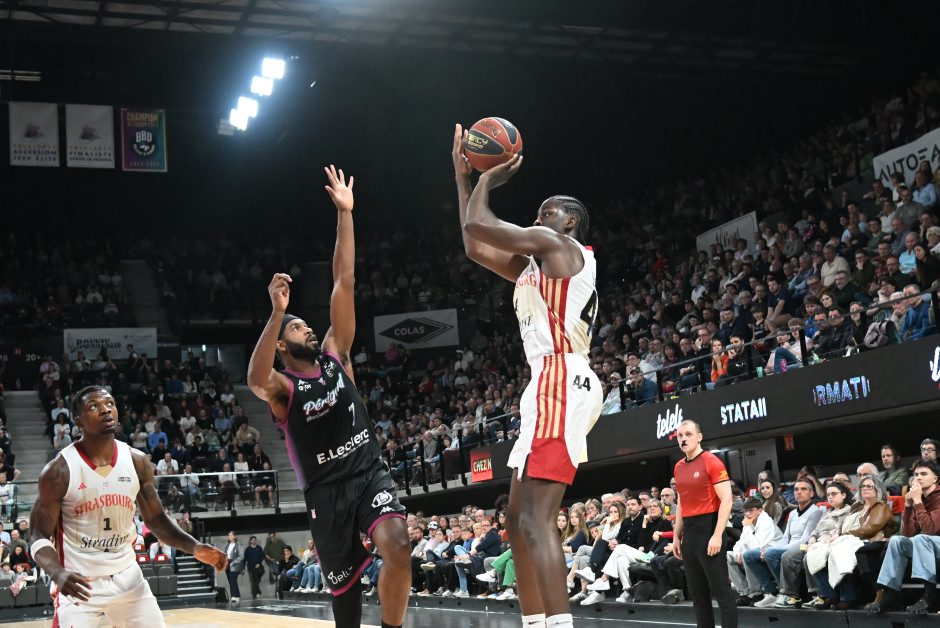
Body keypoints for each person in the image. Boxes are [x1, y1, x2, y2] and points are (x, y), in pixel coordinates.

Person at [247, 165, 410, 628]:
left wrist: (345, 214)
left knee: (399, 546)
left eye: (305, 324)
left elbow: (345, 280)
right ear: (282, 345)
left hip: (368, 472)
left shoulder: (337, 354)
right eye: (297, 328)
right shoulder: (283, 388)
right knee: (346, 599)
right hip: (326, 492)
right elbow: (255, 379)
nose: (308, 329)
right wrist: (276, 314)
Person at [453, 125, 602, 628]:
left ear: (570, 222)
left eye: (547, 212)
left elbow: (480, 222)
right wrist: (462, 178)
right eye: (539, 214)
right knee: (517, 521)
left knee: (538, 521)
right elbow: (475, 243)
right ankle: (535, 621)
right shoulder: (534, 269)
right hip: (546, 381)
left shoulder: (558, 245)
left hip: (562, 375)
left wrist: (486, 178)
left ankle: (559, 624)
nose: (538, 219)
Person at [29, 385, 227, 627]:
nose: (105, 410)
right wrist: (57, 572)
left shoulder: (136, 461)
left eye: (109, 404)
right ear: (78, 421)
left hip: (128, 579)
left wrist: (194, 546)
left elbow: (156, 519)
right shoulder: (59, 471)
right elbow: (37, 535)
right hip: (80, 583)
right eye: (94, 406)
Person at [672, 419, 737, 628]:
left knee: (721, 591)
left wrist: (717, 535)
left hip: (709, 528)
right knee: (697, 594)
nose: (683, 439)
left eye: (688, 434)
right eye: (680, 435)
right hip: (689, 533)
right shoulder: (678, 467)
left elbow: (727, 500)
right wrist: (676, 536)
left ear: (699, 437)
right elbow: (681, 502)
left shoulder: (712, 461)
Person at [223, 531, 244, 603]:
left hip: (235, 565)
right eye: (229, 535)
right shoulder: (226, 545)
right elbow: (224, 554)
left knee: (232, 579)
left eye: (231, 535)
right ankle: (237, 595)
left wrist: (233, 562)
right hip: (227, 564)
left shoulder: (238, 545)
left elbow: (241, 556)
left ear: (235, 536)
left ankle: (233, 596)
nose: (230, 537)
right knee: (232, 581)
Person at [244, 535, 266, 599]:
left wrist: (258, 563)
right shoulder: (248, 549)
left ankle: (257, 593)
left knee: (256, 580)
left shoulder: (259, 548)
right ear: (250, 541)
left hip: (259, 566)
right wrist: (243, 568)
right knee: (254, 580)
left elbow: (262, 556)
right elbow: (245, 559)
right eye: (253, 540)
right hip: (251, 567)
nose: (254, 541)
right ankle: (257, 593)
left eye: (255, 540)